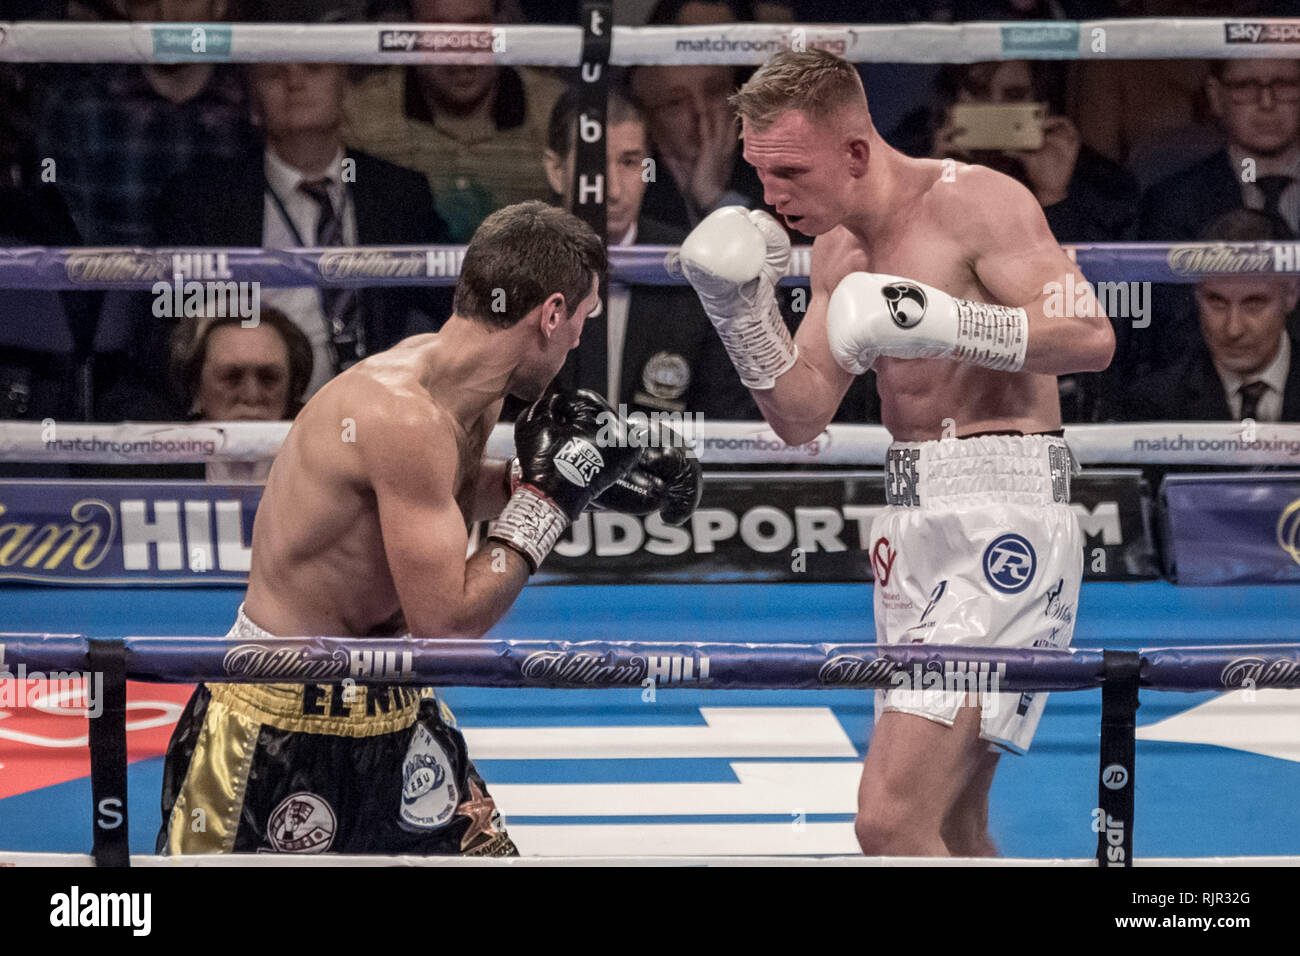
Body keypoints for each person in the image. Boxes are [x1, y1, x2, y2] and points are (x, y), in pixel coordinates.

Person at [157, 201, 703, 855]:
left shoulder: (465, 390)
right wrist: (548, 499)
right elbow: (446, 624)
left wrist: (561, 483)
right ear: (552, 314)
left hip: (396, 703)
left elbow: (431, 498)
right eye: (581, 321)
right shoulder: (401, 417)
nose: (577, 341)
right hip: (272, 715)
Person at [678, 49, 1113, 856]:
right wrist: (742, 317)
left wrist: (953, 323)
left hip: (1003, 520)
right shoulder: (835, 249)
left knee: (888, 819)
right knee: (950, 822)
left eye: (790, 173)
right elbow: (801, 415)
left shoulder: (979, 202)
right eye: (760, 173)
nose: (771, 197)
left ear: (855, 150)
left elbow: (1092, 338)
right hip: (909, 528)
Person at [541, 85, 758, 422]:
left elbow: (724, 419)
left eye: (630, 163)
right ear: (556, 171)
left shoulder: (693, 267)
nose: (612, 190)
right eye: (593, 164)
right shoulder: (518, 271)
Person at [1109, 209, 1300, 423]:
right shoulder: (1152, 403)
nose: (1233, 329)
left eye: (1254, 303)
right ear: (1197, 294)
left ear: (1291, 294)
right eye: (1216, 302)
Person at [169, 308, 316, 482]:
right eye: (231, 377)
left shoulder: (326, 465)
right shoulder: (156, 465)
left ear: (294, 387)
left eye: (269, 378)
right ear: (196, 386)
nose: (251, 395)